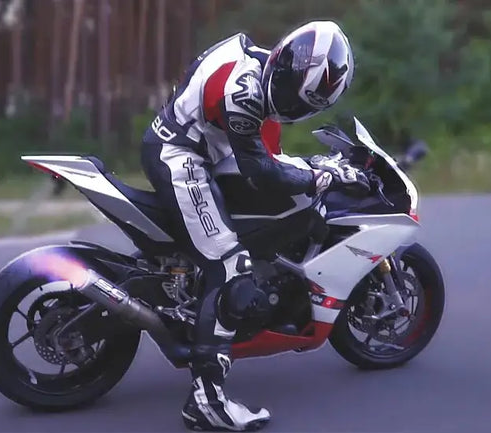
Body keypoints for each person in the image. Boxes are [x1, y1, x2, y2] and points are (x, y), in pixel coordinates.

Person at [138, 20, 358, 432]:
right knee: (230, 266)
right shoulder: (244, 93)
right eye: (290, 94)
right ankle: (206, 402)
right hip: (181, 157)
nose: (289, 106)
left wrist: (313, 166)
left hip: (203, 148)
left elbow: (268, 158)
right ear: (284, 64)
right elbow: (262, 171)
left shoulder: (258, 74)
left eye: (301, 104)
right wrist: (317, 177)